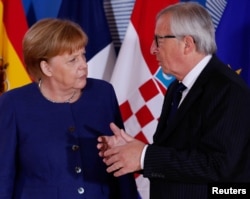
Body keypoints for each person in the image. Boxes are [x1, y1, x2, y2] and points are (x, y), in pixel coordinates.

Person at [97, 2, 250, 199]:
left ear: (187, 44)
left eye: (159, 40)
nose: (153, 49)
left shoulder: (228, 90)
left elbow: (219, 165)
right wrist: (134, 151)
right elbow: (178, 155)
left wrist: (144, 156)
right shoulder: (176, 88)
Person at [0, 18, 139, 199]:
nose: (83, 65)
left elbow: (121, 160)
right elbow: (3, 176)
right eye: (72, 60)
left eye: (83, 55)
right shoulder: (13, 103)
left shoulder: (103, 93)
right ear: (46, 67)